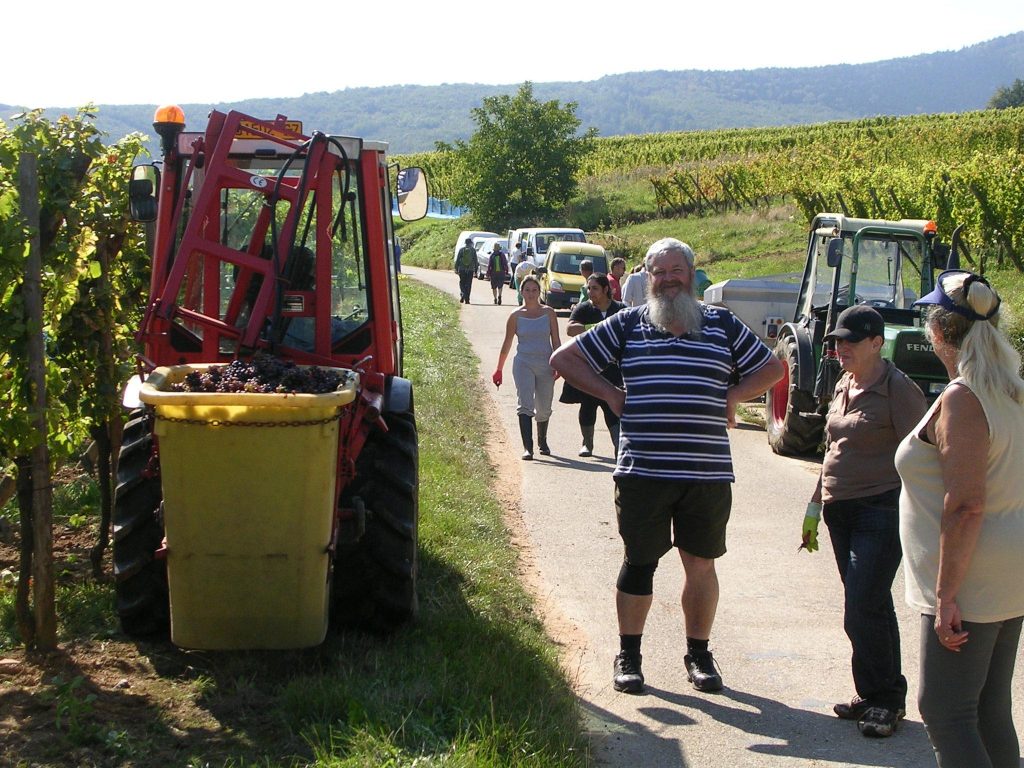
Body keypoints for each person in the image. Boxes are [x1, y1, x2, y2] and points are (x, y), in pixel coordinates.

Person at [549, 237, 783, 695]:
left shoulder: (722, 324)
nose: (670, 278)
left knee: (701, 565)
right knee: (639, 564)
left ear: (693, 276)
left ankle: (699, 656)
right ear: (648, 277)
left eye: (678, 270)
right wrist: (612, 395)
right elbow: (564, 358)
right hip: (643, 471)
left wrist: (733, 397)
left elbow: (772, 368)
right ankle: (629, 657)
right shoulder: (629, 324)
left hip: (707, 474)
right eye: (660, 271)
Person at [895, 270, 1024, 768]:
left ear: (939, 332)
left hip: (969, 574)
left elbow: (966, 504)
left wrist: (947, 593)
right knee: (988, 708)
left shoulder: (963, 398)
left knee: (945, 710)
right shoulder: (1011, 392)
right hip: (1005, 566)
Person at [800, 305, 927, 738]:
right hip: (840, 508)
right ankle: (874, 693)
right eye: (836, 341)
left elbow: (926, 455)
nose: (839, 348)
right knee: (868, 604)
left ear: (877, 343)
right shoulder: (844, 382)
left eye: (850, 341)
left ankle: (887, 701)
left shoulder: (899, 390)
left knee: (862, 603)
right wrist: (815, 506)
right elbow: (832, 447)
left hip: (882, 507)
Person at [492, 275, 562, 460]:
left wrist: (561, 364)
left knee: (544, 405)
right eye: (527, 290)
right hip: (523, 363)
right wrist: (499, 369)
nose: (531, 294)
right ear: (521, 292)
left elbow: (556, 341)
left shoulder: (549, 313)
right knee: (525, 403)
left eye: (534, 290)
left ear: (540, 292)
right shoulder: (515, 316)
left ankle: (542, 441)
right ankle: (528, 447)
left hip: (546, 364)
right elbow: (507, 344)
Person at [560, 274, 625, 458]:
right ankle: (587, 443)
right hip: (589, 369)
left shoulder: (620, 309)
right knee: (587, 407)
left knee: (614, 410)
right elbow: (571, 329)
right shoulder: (584, 309)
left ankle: (618, 448)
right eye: (589, 288)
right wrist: (598, 328)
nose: (590, 292)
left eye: (595, 288)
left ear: (606, 289)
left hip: (613, 371)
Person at [454, 237, 477, 304]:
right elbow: (475, 260)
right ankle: (467, 299)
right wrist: (476, 270)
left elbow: (458, 259)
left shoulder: (461, 250)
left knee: (462, 283)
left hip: (462, 269)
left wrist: (456, 268)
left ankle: (463, 293)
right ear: (470, 243)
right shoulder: (473, 250)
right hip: (470, 269)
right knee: (469, 284)